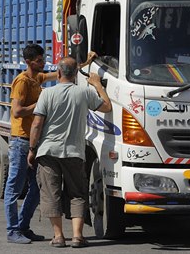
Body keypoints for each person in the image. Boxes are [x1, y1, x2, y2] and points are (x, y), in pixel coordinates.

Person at [5, 44, 96, 244]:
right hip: (22, 139)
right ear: (28, 62)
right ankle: (12, 231)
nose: (43, 62)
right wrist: (40, 106)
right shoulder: (21, 82)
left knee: (38, 189)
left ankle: (23, 226)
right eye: (39, 60)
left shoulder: (37, 78)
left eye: (43, 58)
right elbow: (17, 111)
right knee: (15, 187)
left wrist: (85, 64)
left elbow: (62, 73)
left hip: (37, 142)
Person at [27, 57, 112, 248]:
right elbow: (107, 106)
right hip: (75, 152)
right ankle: (77, 236)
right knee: (77, 194)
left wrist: (32, 149)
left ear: (58, 73)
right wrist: (98, 85)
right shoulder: (84, 92)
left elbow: (37, 124)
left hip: (48, 152)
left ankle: (58, 236)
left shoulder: (47, 94)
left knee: (51, 194)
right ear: (75, 75)